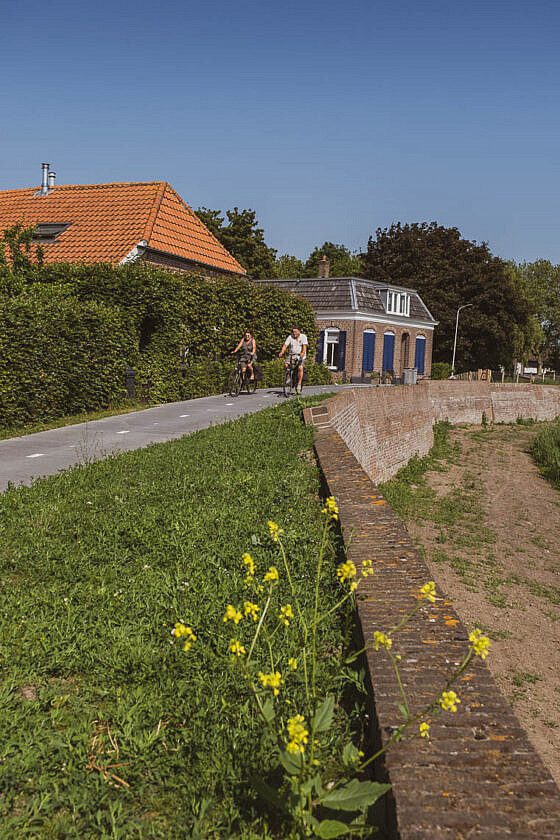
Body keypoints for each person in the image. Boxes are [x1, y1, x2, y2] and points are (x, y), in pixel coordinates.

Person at [279, 325, 308, 394]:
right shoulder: (290, 337)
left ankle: (299, 384)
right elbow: (285, 345)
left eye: (296, 332)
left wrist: (302, 354)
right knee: (286, 365)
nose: (294, 333)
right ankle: (289, 377)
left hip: (300, 355)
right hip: (292, 354)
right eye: (293, 332)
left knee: (300, 368)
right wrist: (282, 352)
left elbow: (304, 348)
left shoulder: (303, 337)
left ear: (299, 331)